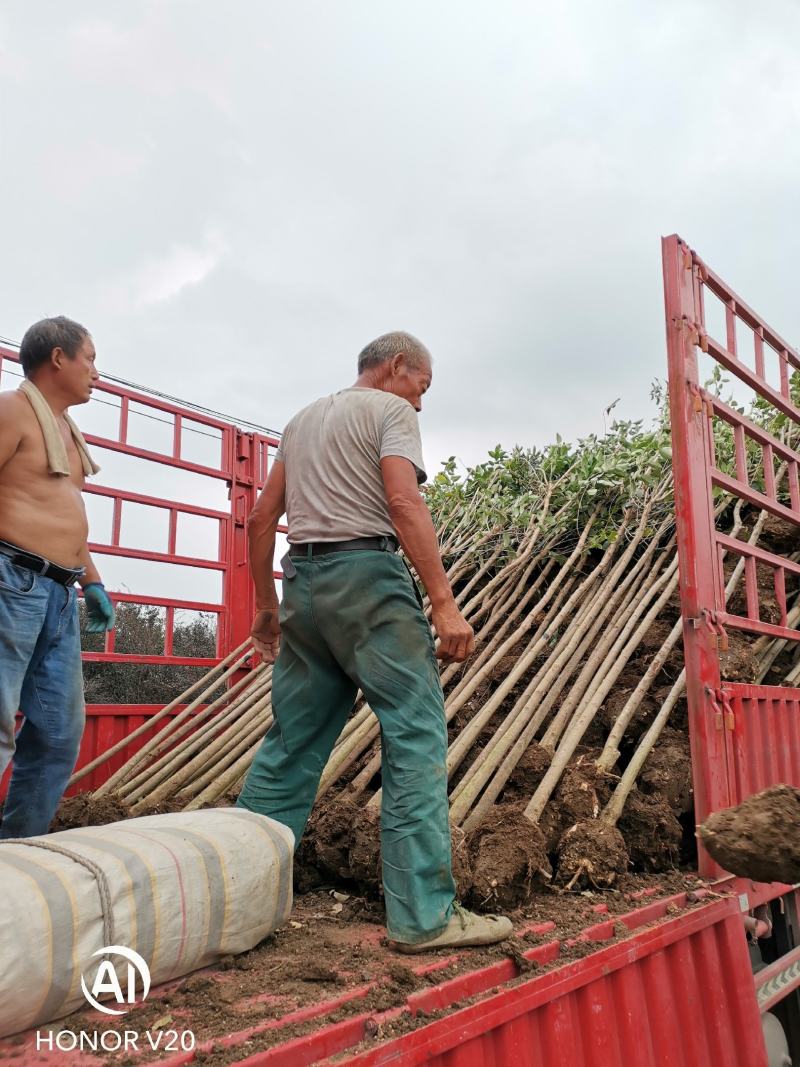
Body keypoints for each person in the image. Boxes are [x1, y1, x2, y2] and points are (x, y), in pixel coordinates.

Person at [236, 331, 512, 952]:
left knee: (292, 742)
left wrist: (266, 606)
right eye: (423, 386)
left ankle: (236, 898)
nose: (421, 403)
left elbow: (260, 519)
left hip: (302, 583)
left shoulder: (301, 420)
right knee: (413, 733)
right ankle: (424, 918)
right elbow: (402, 500)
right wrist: (444, 605)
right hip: (367, 580)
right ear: (396, 368)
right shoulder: (389, 413)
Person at [0, 317, 115, 839]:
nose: (96, 370)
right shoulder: (11, 412)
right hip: (10, 583)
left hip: (59, 594)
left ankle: (16, 854)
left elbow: (65, 516)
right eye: (89, 358)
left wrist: (91, 581)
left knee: (58, 735)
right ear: (58, 358)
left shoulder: (67, 430)